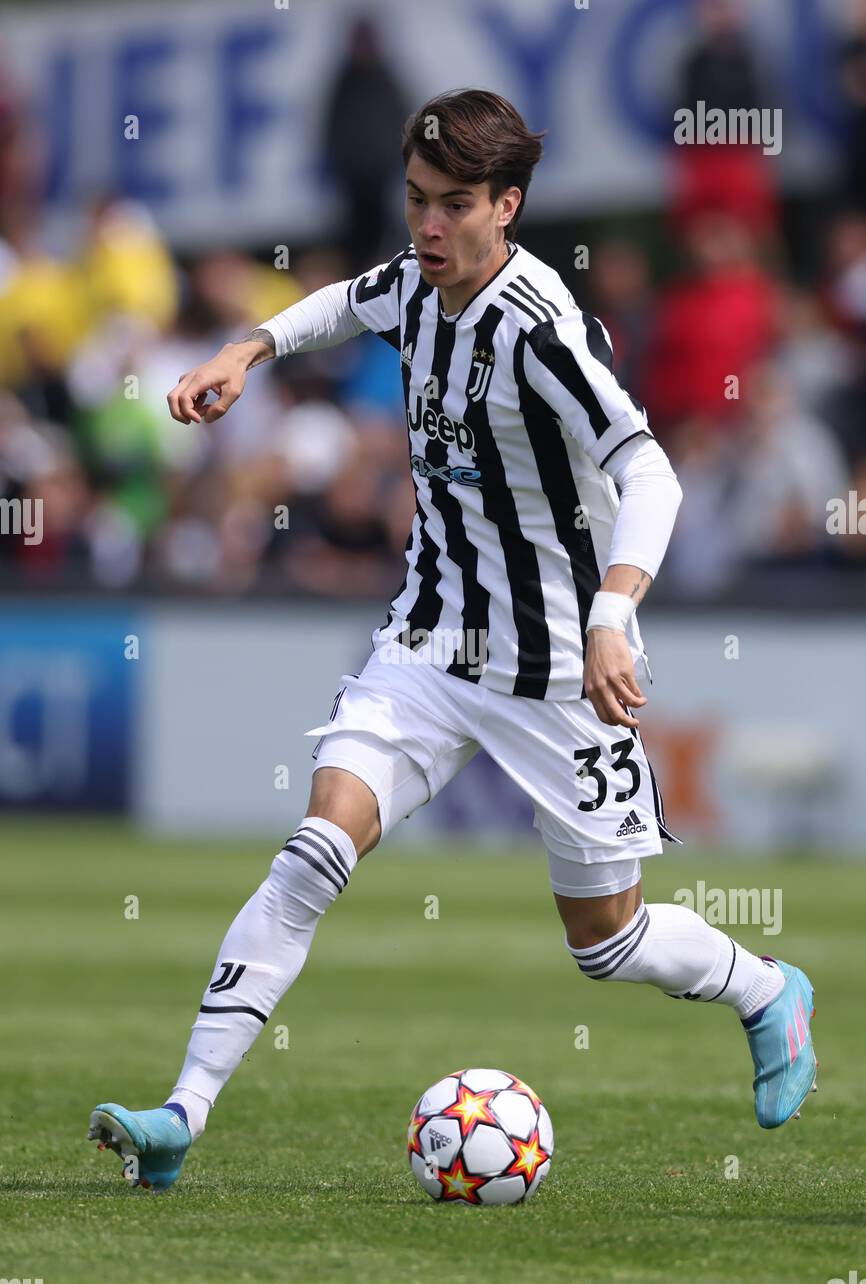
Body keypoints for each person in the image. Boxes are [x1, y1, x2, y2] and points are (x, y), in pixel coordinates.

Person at [88, 89, 817, 1192]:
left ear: (506, 208)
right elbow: (343, 300)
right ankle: (181, 1113)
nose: (426, 225)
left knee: (604, 944)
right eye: (417, 200)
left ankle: (765, 990)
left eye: (453, 206)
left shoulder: (540, 328)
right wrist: (248, 350)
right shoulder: (417, 284)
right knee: (314, 850)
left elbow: (649, 471)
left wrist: (611, 615)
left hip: (558, 667)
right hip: (427, 641)